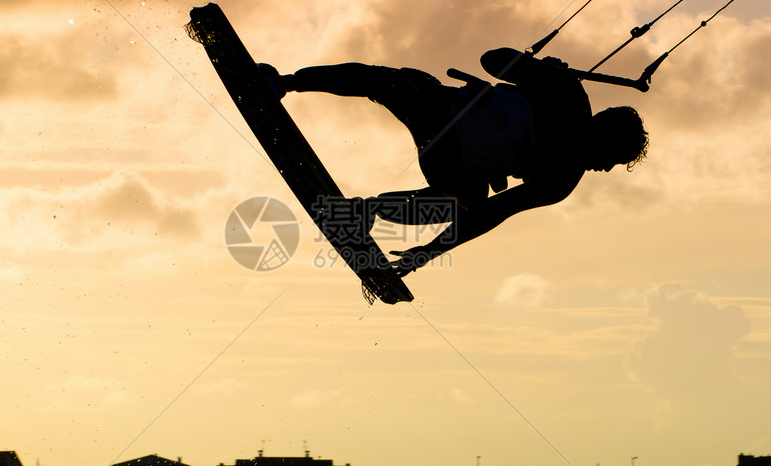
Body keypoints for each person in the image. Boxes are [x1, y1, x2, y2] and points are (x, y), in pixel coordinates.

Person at [260, 48, 648, 278]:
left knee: (387, 81)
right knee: (467, 196)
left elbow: (492, 59)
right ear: (603, 131)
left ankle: (286, 83)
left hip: (440, 132)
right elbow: (486, 215)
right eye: (612, 158)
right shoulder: (563, 167)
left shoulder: (567, 101)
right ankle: (367, 208)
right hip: (444, 148)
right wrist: (534, 68)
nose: (606, 168)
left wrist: (539, 69)